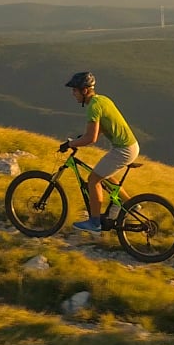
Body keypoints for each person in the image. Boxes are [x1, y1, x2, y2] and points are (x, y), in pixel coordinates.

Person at [61, 71, 139, 232]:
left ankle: (94, 223)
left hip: (123, 149)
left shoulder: (93, 107)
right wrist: (79, 140)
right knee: (105, 176)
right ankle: (130, 204)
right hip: (129, 147)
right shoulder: (102, 100)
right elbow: (101, 129)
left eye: (74, 90)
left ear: (84, 90)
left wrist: (70, 144)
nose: (72, 93)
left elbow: (91, 138)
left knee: (93, 180)